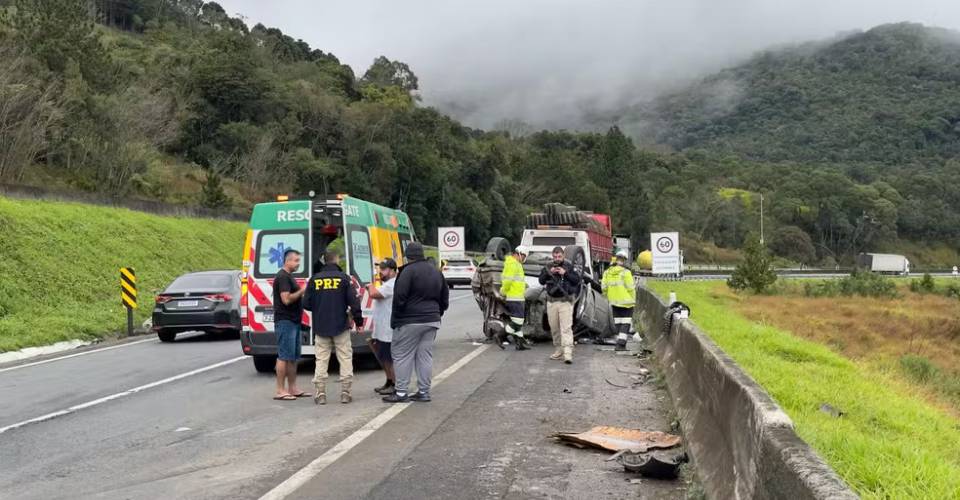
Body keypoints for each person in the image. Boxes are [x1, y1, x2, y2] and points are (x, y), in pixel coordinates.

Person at [383, 242, 449, 403]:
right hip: (432, 320)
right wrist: (436, 313)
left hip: (409, 320)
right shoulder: (436, 271)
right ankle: (424, 391)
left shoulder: (407, 272)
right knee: (424, 356)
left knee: (401, 355)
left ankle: (401, 393)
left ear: (407, 256)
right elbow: (444, 299)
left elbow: (399, 298)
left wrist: (397, 320)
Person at [303, 251, 363, 405]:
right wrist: (359, 322)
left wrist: (320, 308)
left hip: (321, 326)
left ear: (324, 261)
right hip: (340, 325)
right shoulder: (344, 278)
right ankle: (345, 392)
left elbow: (306, 303)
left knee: (321, 360)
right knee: (345, 358)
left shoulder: (314, 279)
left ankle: (320, 393)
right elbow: (354, 302)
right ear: (336, 260)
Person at [272, 248, 308, 400]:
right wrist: (302, 291)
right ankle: (280, 390)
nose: (298, 263)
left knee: (293, 356)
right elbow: (286, 299)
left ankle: (292, 388)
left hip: (293, 320)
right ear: (288, 261)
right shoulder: (283, 277)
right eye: (296, 260)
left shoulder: (289, 277)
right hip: (285, 320)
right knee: (284, 356)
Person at [539, 246, 581, 364]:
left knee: (566, 328)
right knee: (554, 328)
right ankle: (558, 350)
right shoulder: (548, 267)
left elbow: (577, 280)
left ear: (563, 256)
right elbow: (541, 281)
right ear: (552, 256)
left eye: (559, 256)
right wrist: (549, 273)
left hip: (565, 302)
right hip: (552, 302)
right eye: (555, 256)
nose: (557, 259)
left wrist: (565, 273)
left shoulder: (569, 266)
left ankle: (567, 353)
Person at [367, 257, 399, 395]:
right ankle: (389, 381)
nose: (381, 272)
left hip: (388, 330)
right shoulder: (386, 284)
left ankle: (396, 384)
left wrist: (369, 286)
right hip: (380, 329)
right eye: (380, 269)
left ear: (392, 271)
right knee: (383, 357)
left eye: (384, 269)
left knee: (389, 359)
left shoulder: (392, 284)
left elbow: (374, 294)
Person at [602, 249, 636, 351]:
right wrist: (633, 300)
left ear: (616, 259)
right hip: (627, 303)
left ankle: (620, 343)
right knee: (625, 324)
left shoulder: (607, 272)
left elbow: (604, 287)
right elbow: (631, 288)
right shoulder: (626, 273)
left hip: (614, 302)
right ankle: (621, 345)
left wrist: (608, 297)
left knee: (618, 323)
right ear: (624, 260)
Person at [500, 245, 530, 350]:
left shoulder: (515, 264)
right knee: (518, 321)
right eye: (524, 256)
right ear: (520, 254)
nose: (524, 259)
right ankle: (500, 335)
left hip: (517, 296)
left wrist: (524, 285)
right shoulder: (513, 264)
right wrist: (503, 291)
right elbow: (508, 281)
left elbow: (516, 280)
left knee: (517, 322)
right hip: (514, 298)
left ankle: (520, 343)